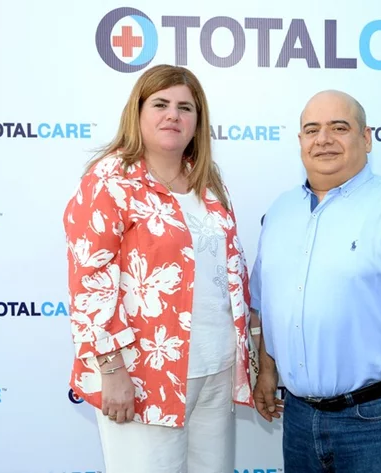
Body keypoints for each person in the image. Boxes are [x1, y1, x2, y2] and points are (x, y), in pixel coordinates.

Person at [250, 90, 381, 472]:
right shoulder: (280, 212)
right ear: (300, 141)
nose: (323, 139)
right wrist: (267, 372)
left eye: (339, 127)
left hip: (378, 423)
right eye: (312, 129)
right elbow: (268, 304)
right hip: (298, 420)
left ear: (366, 138)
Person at [63, 64, 255, 473]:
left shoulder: (208, 182)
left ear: (197, 121)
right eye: (161, 104)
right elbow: (89, 282)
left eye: (185, 107)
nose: (173, 115)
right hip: (144, 373)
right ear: (138, 112)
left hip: (215, 367)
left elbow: (229, 271)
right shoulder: (110, 180)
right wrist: (111, 368)